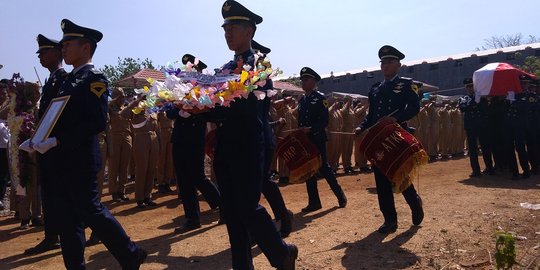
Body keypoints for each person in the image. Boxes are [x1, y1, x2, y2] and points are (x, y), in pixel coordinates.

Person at [21, 19, 147, 269]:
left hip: (80, 160)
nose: (63, 48)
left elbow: (97, 122)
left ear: (86, 47)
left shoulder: (94, 79)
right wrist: (38, 139)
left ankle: (131, 253)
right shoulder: (64, 81)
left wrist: (57, 139)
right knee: (68, 220)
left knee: (92, 211)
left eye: (68, 44)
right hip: (60, 160)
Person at [206, 1, 298, 268]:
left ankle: (282, 253)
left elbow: (247, 107)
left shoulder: (259, 67)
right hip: (225, 145)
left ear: (249, 31)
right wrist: (198, 107)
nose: (227, 33)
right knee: (232, 213)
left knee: (247, 206)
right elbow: (215, 107)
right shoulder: (222, 70)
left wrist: (216, 106)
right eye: (225, 29)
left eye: (233, 28)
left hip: (247, 144)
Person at [355, 45, 424, 234]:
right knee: (381, 179)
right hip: (378, 140)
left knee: (399, 174)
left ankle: (414, 202)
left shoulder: (407, 84)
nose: (385, 66)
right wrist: (361, 126)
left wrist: (396, 117)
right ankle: (389, 220)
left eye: (389, 62)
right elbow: (371, 116)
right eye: (383, 62)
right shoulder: (375, 88)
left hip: (396, 137)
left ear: (398, 65)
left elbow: (414, 108)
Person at [168, 54, 222, 232]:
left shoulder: (205, 88)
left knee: (198, 175)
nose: (187, 70)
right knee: (183, 179)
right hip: (180, 136)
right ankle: (192, 219)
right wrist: (179, 110)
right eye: (186, 67)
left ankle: (221, 204)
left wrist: (189, 110)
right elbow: (169, 111)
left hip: (194, 135)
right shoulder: (178, 87)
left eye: (191, 67)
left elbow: (207, 110)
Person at [24, 34, 66, 255]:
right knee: (49, 193)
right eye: (39, 53)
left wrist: (51, 138)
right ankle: (52, 236)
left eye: (44, 52)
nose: (40, 56)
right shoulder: (50, 80)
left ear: (58, 53)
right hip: (46, 147)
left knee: (65, 194)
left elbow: (63, 117)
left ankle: (95, 228)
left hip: (59, 148)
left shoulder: (63, 80)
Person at [251, 40, 294, 238]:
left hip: (260, 138)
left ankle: (278, 218)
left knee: (259, 182)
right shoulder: (243, 74)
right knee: (259, 182)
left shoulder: (262, 77)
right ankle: (281, 216)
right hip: (248, 137)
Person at [297, 67, 347, 212]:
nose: (303, 82)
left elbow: (324, 120)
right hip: (306, 139)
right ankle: (314, 202)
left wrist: (311, 129)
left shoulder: (320, 98)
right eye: (302, 80)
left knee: (323, 168)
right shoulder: (302, 100)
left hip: (317, 137)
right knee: (309, 170)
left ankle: (340, 195)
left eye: (306, 80)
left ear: (314, 81)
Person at [121, 95, 159, 208]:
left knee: (152, 169)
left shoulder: (151, 112)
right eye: (143, 101)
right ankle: (140, 198)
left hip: (153, 139)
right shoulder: (134, 113)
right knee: (142, 170)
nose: (144, 103)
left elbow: (158, 129)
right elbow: (123, 114)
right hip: (141, 140)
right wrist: (136, 101)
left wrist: (160, 145)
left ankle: (148, 196)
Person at [458, 78, 493, 177]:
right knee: (473, 149)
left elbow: (485, 110)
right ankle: (476, 170)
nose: (470, 88)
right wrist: (474, 102)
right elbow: (463, 108)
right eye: (468, 86)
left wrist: (479, 100)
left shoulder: (482, 98)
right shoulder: (463, 98)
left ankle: (489, 168)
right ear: (465, 88)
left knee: (485, 147)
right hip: (471, 127)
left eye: (471, 86)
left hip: (482, 125)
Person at [107, 88, 132, 202]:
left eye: (123, 96)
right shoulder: (110, 108)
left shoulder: (125, 108)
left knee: (124, 166)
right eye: (120, 97)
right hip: (115, 138)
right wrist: (112, 100)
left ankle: (122, 191)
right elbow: (105, 106)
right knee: (114, 166)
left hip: (127, 137)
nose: (123, 99)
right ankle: (114, 192)